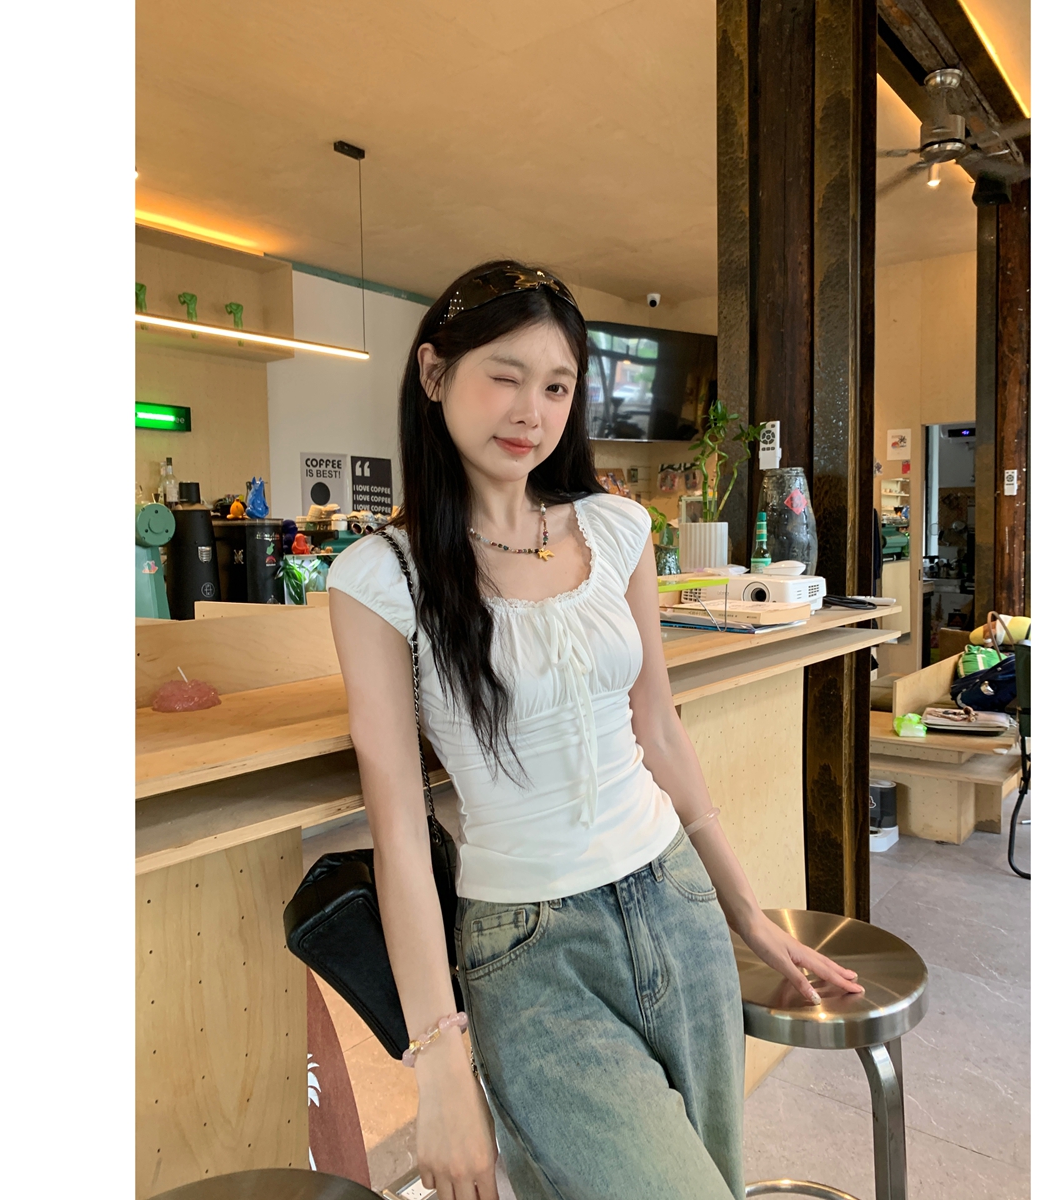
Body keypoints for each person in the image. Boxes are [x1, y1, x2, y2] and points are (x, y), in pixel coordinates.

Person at [326, 261, 864, 1200]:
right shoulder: (381, 576)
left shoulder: (616, 529)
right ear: (433, 373)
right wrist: (439, 1061)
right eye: (504, 375)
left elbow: (658, 727)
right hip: (531, 951)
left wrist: (744, 910)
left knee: (717, 1180)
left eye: (557, 386)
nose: (530, 410)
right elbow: (400, 830)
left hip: (677, 902)